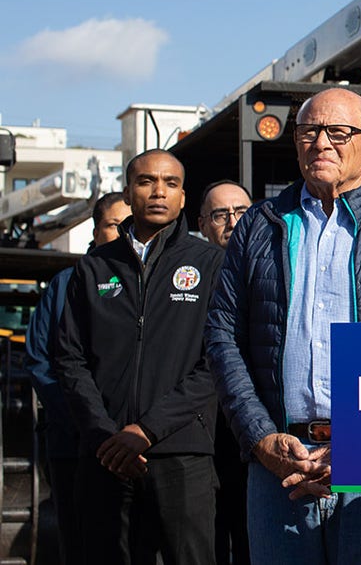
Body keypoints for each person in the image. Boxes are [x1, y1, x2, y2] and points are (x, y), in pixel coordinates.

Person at [205, 87, 361, 563]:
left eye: (338, 132)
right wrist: (260, 437)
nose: (320, 143)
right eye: (308, 132)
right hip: (279, 461)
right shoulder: (258, 226)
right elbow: (222, 336)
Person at [53, 149, 224, 564]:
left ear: (184, 197)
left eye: (171, 183)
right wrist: (103, 435)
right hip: (104, 455)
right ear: (128, 193)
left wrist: (146, 430)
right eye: (147, 182)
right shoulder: (92, 269)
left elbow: (218, 359)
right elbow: (69, 358)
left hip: (182, 452)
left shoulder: (212, 263)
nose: (159, 192)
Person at [26, 191, 129, 565]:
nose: (122, 234)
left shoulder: (149, 286)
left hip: (135, 446)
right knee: (81, 545)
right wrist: (89, 424)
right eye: (114, 225)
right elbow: (41, 361)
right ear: (96, 230)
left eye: (129, 225)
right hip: (75, 444)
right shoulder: (65, 284)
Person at [196, 180, 254, 565]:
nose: (232, 221)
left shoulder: (275, 271)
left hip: (257, 434)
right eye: (221, 215)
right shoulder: (187, 279)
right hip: (203, 437)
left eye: (241, 212)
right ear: (203, 224)